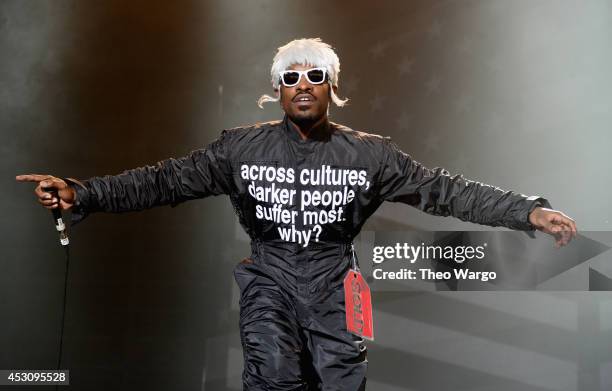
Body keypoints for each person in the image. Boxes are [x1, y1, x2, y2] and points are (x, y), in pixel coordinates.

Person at [17, 38, 577, 390]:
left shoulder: (371, 153)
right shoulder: (239, 148)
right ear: (277, 91)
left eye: (314, 76)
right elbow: (164, 180)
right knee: (274, 375)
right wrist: (82, 193)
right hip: (270, 277)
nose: (302, 85)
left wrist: (529, 212)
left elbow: (446, 191)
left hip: (336, 282)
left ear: (332, 87)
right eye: (290, 77)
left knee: (340, 381)